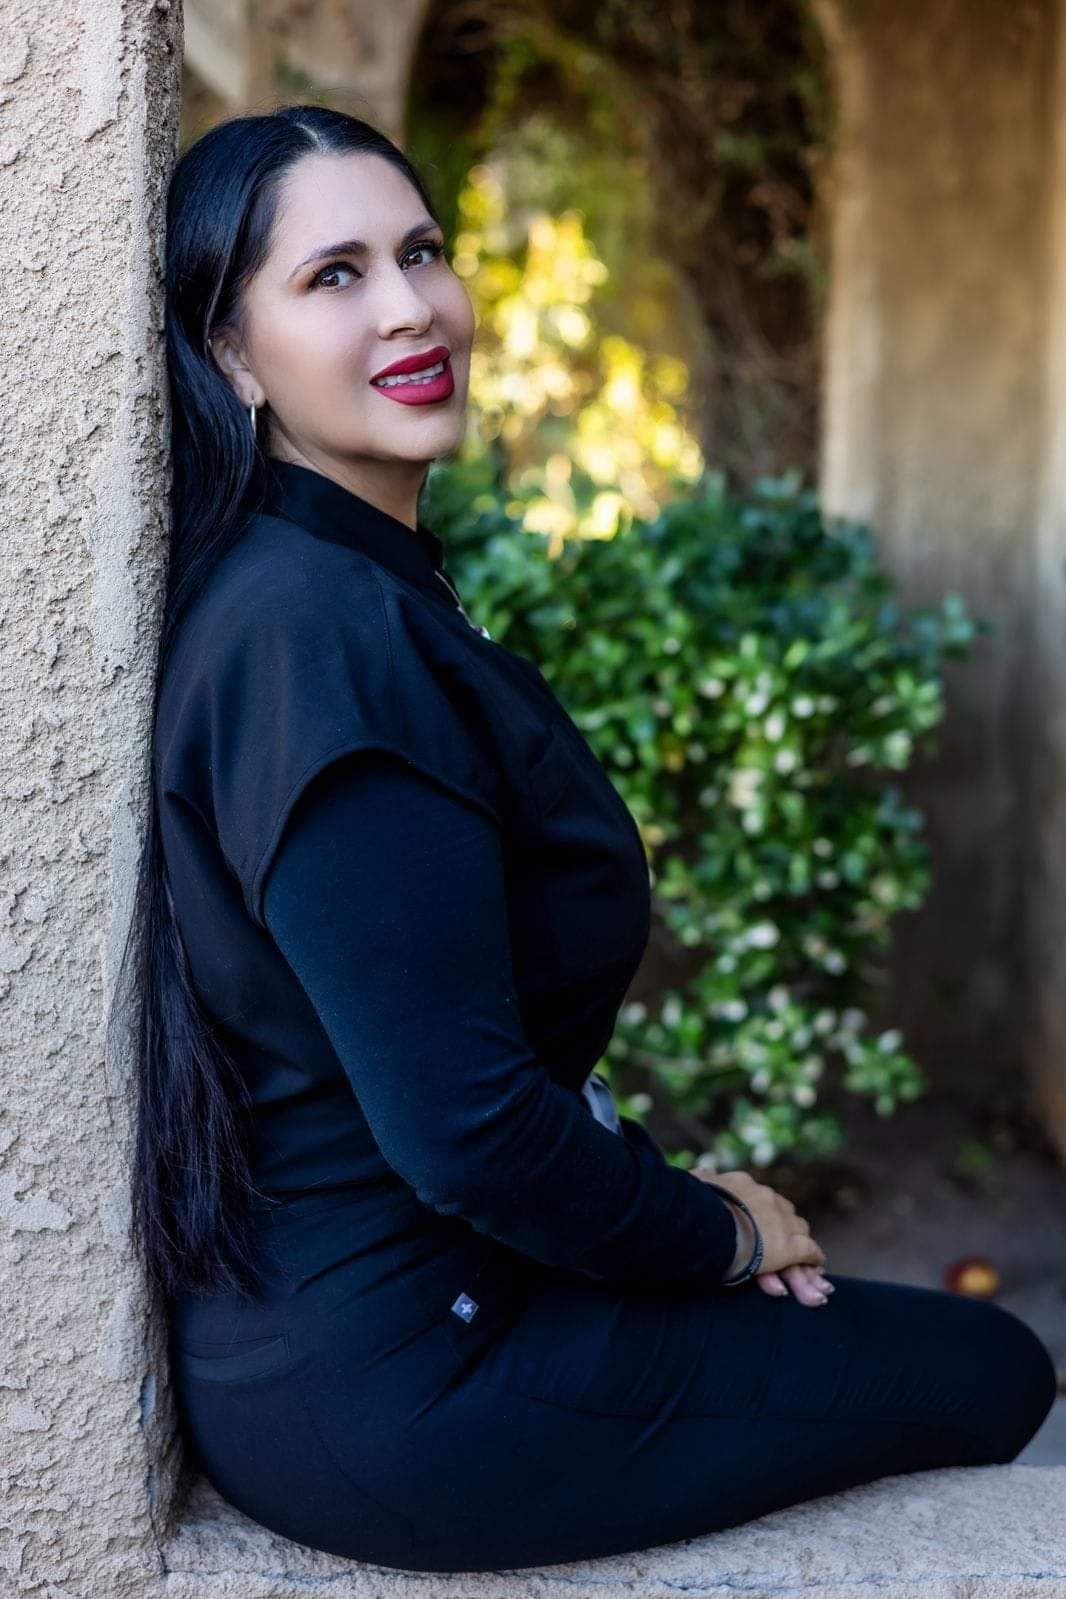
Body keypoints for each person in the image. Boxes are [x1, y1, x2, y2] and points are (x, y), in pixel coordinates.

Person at [124, 104, 1056, 1574]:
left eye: (421, 252)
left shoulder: (329, 587)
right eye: (333, 276)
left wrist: (676, 1219)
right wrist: (719, 1237)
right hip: (411, 1387)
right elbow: (468, 1130)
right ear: (230, 354)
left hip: (407, 1324)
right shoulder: (317, 638)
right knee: (992, 1370)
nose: (411, 307)